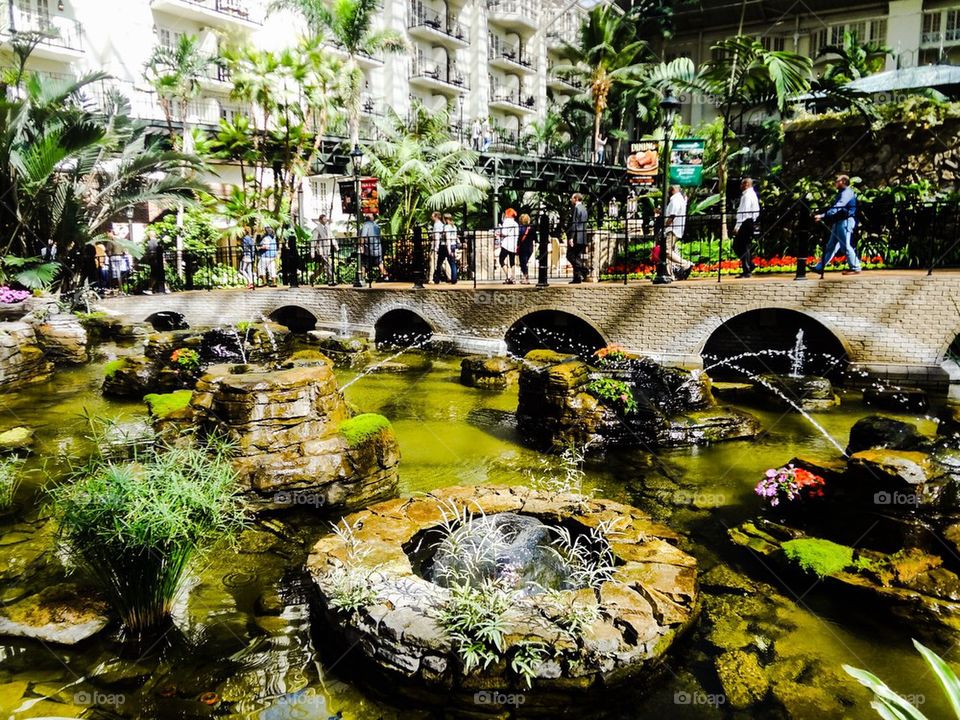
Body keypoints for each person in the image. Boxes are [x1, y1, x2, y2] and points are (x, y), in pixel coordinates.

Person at [812, 175, 860, 275]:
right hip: (839, 222)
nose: (835, 183)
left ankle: (855, 267)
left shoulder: (847, 193)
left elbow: (838, 206)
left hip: (845, 221)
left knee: (845, 246)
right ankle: (819, 267)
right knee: (831, 246)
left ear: (843, 181)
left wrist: (823, 216)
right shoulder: (842, 193)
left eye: (837, 181)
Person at [733, 178, 760, 278]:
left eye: (742, 184)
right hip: (749, 221)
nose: (740, 186)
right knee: (741, 246)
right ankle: (749, 265)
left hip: (746, 222)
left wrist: (737, 226)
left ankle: (747, 269)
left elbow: (744, 212)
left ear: (747, 184)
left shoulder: (747, 196)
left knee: (741, 246)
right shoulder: (750, 194)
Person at [664, 185, 692, 280]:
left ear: (672, 189)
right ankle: (669, 274)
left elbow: (672, 216)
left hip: (672, 229)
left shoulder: (675, 200)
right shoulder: (679, 199)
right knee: (669, 253)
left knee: (667, 251)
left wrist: (664, 226)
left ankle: (686, 264)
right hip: (675, 229)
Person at [566, 193, 589, 283]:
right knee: (577, 257)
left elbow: (574, 223)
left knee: (570, 256)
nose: (571, 200)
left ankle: (584, 270)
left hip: (576, 236)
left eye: (572, 198)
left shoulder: (576, 208)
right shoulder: (584, 209)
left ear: (575, 199)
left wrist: (571, 237)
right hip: (582, 236)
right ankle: (577, 278)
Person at [310, 215, 337, 284]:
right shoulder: (317, 229)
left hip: (328, 249)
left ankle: (313, 277)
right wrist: (312, 251)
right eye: (324, 219)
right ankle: (331, 279)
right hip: (321, 250)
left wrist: (336, 246)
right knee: (328, 264)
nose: (325, 220)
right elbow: (314, 240)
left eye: (326, 219)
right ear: (320, 220)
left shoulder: (328, 227)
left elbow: (332, 237)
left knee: (323, 266)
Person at [496, 208, 519, 284]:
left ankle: (508, 276)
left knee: (501, 259)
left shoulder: (506, 221)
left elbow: (504, 232)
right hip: (513, 244)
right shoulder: (515, 223)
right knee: (512, 261)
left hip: (506, 244)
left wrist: (500, 233)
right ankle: (513, 277)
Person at [360, 214, 386, 281]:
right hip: (377, 248)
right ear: (372, 219)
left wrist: (361, 246)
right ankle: (385, 276)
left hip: (368, 249)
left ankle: (362, 278)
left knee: (363, 264)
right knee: (379, 262)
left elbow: (363, 236)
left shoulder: (366, 225)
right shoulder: (376, 226)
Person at [517, 213, 535, 284]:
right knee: (524, 263)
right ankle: (525, 277)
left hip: (523, 247)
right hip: (530, 248)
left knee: (523, 263)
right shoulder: (532, 228)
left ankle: (526, 278)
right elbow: (535, 238)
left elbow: (518, 238)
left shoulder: (520, 228)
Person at [442, 213, 458, 284]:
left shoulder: (447, 227)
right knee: (453, 262)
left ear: (445, 219)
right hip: (454, 245)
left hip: (449, 245)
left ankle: (453, 279)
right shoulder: (454, 226)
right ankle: (454, 278)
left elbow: (448, 238)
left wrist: (448, 249)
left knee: (451, 262)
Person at [430, 211, 446, 283]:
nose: (431, 217)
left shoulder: (436, 225)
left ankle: (431, 278)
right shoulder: (441, 224)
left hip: (436, 246)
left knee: (433, 262)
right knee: (443, 262)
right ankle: (451, 276)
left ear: (436, 217)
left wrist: (436, 248)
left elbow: (437, 237)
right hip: (441, 246)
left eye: (432, 216)